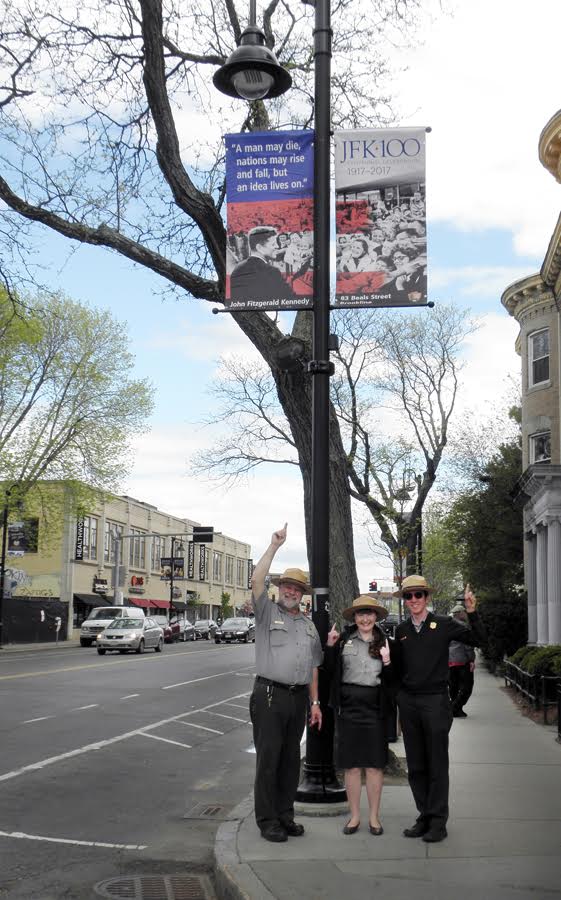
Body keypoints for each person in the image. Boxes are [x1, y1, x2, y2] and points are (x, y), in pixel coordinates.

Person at [391, 575, 486, 843]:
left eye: (418, 595)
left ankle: (438, 821)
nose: (413, 600)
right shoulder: (402, 631)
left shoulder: (444, 624)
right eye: (408, 596)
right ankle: (424, 814)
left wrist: (471, 611)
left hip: (435, 701)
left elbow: (479, 639)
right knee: (417, 765)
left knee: (436, 763)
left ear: (426, 597)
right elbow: (397, 669)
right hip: (409, 703)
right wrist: (399, 698)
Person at [249, 523, 323, 843]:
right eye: (287, 586)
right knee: (269, 760)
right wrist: (274, 546)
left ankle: (285, 815)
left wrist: (315, 703)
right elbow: (255, 580)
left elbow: (314, 666)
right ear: (280, 589)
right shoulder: (266, 613)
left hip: (297, 700)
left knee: (291, 760)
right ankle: (267, 820)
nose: (291, 591)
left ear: (303, 594)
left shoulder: (309, 627)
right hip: (269, 696)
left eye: (297, 588)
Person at [325, 596, 393, 836]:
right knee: (352, 766)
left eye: (370, 614)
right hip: (349, 707)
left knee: (374, 765)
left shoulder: (385, 641)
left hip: (375, 708)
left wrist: (387, 661)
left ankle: (374, 817)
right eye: (360, 614)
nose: (365, 618)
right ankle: (355, 816)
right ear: (354, 617)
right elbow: (330, 672)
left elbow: (393, 681)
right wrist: (331, 647)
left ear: (376, 617)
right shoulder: (344, 640)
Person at [230, 226, 296, 302]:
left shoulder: (237, 269)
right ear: (259, 247)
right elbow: (290, 299)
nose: (277, 246)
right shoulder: (271, 271)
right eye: (273, 244)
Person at [448, 604, 476, 717]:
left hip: (449, 661)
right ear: (459, 614)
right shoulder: (464, 627)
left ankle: (456, 708)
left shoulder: (448, 627)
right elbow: (467, 645)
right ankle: (455, 707)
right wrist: (471, 660)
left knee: (453, 686)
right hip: (462, 660)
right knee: (467, 686)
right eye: (464, 612)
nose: (466, 614)